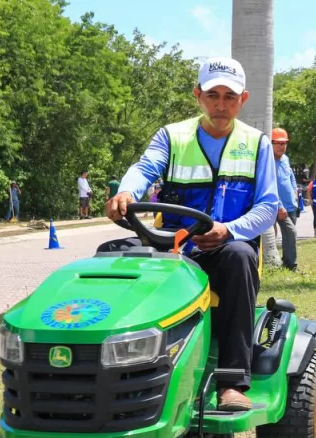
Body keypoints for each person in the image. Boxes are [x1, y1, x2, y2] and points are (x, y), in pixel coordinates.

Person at [107, 56, 279, 412]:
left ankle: (231, 382)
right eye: (212, 94)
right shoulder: (172, 136)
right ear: (197, 95)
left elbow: (266, 208)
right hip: (173, 246)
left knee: (241, 258)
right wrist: (127, 192)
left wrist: (228, 230)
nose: (220, 104)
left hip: (225, 248)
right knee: (112, 252)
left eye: (229, 97)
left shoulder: (258, 144)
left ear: (242, 100)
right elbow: (145, 167)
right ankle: (112, 367)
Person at [271, 127, 299, 270]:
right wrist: (279, 206)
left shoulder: (286, 159)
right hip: (278, 206)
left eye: (284, 143)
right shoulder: (268, 161)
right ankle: (292, 265)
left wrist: (295, 190)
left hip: (291, 204)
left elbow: (291, 176)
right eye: (279, 143)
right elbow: (271, 186)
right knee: (292, 233)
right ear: (271, 144)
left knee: (289, 236)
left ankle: (287, 263)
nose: (282, 146)